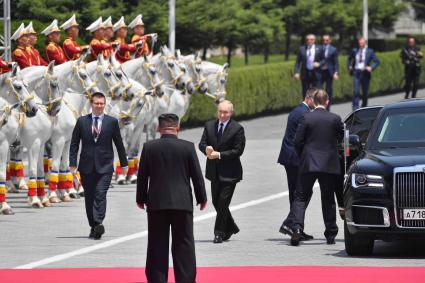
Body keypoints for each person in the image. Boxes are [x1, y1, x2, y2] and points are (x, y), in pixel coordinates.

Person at [137, 113, 207, 283]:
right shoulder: (187, 147)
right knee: (184, 244)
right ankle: (185, 279)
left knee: (156, 244)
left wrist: (141, 198)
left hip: (157, 203)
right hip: (182, 203)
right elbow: (197, 176)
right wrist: (202, 197)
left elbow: (142, 176)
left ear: (158, 129)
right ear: (178, 128)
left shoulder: (149, 147)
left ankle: (157, 279)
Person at [284, 89, 344, 246]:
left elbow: (297, 141)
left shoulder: (306, 117)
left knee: (300, 196)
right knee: (328, 198)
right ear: (327, 102)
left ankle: (296, 229)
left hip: (308, 162)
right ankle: (330, 233)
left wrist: (304, 154)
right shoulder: (335, 119)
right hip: (328, 164)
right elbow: (341, 139)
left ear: (314, 101)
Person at [70, 92, 128, 240]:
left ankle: (99, 223)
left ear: (105, 104)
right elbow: (74, 143)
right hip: (86, 166)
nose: (99, 106)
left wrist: (124, 163)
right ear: (91, 104)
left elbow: (119, 143)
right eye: (97, 103)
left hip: (105, 166)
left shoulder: (112, 122)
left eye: (102, 103)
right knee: (89, 197)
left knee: (100, 194)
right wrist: (72, 164)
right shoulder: (82, 121)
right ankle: (94, 226)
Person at [198, 100, 246, 244]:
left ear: (231, 113)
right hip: (214, 171)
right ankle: (231, 227)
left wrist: (219, 154)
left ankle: (219, 233)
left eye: (225, 112)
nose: (222, 114)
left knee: (223, 202)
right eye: (220, 111)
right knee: (216, 202)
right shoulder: (209, 125)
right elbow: (202, 143)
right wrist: (206, 150)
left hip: (230, 173)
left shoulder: (237, 128)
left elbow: (238, 150)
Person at [277, 88, 316, 241]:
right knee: (302, 193)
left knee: (297, 193)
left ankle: (296, 227)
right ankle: (291, 224)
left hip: (290, 158)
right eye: (316, 99)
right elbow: (302, 139)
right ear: (309, 98)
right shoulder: (303, 113)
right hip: (295, 159)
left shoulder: (298, 110)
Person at [347, 38, 380, 110]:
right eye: (359, 43)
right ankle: (355, 109)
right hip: (356, 72)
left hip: (365, 73)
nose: (360, 44)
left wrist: (371, 67)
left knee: (365, 93)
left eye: (362, 43)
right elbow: (349, 58)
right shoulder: (355, 50)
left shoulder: (370, 51)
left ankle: (364, 107)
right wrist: (349, 66)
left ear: (365, 43)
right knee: (355, 91)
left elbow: (377, 61)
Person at [294, 34, 324, 98]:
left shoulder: (320, 48)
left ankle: (316, 107)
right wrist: (296, 72)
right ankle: (306, 107)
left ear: (314, 40)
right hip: (305, 73)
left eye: (311, 39)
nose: (309, 41)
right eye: (307, 40)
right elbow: (298, 62)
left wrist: (319, 64)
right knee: (305, 92)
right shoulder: (301, 49)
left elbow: (325, 60)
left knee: (317, 93)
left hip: (316, 73)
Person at [320, 35, 339, 110]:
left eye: (327, 40)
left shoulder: (333, 49)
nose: (325, 42)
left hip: (329, 72)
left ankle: (327, 107)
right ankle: (320, 108)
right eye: (324, 40)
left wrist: (336, 72)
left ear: (330, 40)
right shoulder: (319, 48)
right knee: (319, 90)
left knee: (328, 91)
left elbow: (336, 62)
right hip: (320, 72)